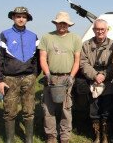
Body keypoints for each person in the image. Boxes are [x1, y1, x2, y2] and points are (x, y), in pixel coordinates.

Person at [0, 7, 40, 143]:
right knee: (10, 111)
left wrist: (34, 74)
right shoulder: (4, 35)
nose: (21, 19)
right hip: (9, 79)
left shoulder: (33, 36)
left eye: (24, 17)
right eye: (18, 16)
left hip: (29, 78)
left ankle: (29, 139)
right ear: (13, 17)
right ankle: (9, 139)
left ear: (27, 19)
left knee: (29, 110)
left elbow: (38, 58)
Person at [38, 11, 82, 143]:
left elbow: (77, 60)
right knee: (48, 108)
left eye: (65, 23)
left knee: (66, 109)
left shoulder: (75, 38)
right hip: (50, 77)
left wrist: (71, 77)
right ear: (55, 23)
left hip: (66, 77)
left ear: (68, 25)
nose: (62, 25)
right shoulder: (47, 37)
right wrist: (47, 74)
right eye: (59, 23)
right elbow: (42, 57)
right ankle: (51, 136)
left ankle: (64, 137)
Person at [79, 19, 113, 143]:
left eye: (102, 29)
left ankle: (105, 136)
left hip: (108, 81)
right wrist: (95, 75)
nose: (100, 31)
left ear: (107, 30)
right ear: (94, 30)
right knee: (94, 110)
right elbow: (83, 63)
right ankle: (97, 135)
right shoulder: (86, 45)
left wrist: (104, 75)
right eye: (97, 29)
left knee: (106, 110)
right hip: (92, 81)